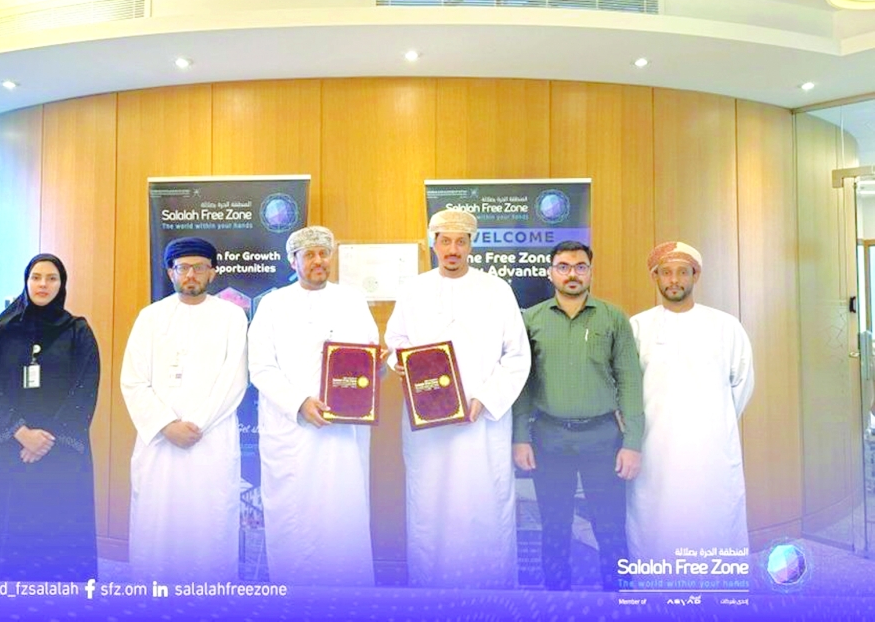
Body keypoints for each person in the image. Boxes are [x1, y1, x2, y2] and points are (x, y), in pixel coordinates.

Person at [385, 210, 530, 588]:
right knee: (430, 504)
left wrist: (484, 398)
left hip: (481, 423)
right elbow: (394, 342)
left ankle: (491, 592)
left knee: (484, 502)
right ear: (433, 243)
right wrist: (397, 362)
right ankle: (430, 589)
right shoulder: (414, 289)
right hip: (428, 424)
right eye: (445, 241)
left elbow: (517, 356)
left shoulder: (497, 290)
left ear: (470, 245)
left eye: (460, 241)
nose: (452, 249)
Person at [247, 226, 379, 586]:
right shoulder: (273, 304)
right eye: (310, 255)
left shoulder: (352, 300)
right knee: (295, 520)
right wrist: (299, 403)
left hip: (343, 432)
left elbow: (369, 352)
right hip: (292, 430)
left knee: (343, 512)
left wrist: (376, 364)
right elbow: (260, 367)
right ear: (294, 261)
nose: (319, 260)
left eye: (324, 253)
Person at [512, 240, 643, 592]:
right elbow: (522, 383)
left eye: (580, 266)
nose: (572, 274)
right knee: (554, 525)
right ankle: (556, 602)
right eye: (564, 266)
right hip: (549, 437)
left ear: (590, 271)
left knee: (610, 525)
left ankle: (619, 600)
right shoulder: (532, 319)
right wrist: (520, 437)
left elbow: (630, 382)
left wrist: (632, 443)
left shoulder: (613, 318)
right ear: (550, 272)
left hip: (602, 437)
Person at [121, 237, 248, 581]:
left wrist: (197, 425)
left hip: (211, 439)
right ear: (170, 272)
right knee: (158, 522)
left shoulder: (232, 317)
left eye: (200, 267)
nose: (191, 275)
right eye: (183, 268)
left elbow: (234, 379)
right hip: (159, 442)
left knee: (209, 524)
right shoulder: (150, 317)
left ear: (213, 273)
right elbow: (133, 380)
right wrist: (166, 425)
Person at [0, 254, 99, 580]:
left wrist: (45, 438)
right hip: (11, 449)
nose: (43, 284)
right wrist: (21, 432)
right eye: (36, 277)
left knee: (60, 526)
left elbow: (85, 389)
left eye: (52, 278)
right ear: (26, 282)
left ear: (62, 284)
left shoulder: (78, 332)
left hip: (62, 451)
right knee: (10, 527)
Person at [627, 242, 754, 562]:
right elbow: (626, 388)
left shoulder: (725, 326)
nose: (674, 280)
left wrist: (716, 420)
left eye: (682, 272)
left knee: (713, 516)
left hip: (711, 450)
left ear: (695, 276)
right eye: (666, 273)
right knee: (657, 521)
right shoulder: (638, 326)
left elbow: (742, 383)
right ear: (655, 277)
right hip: (656, 447)